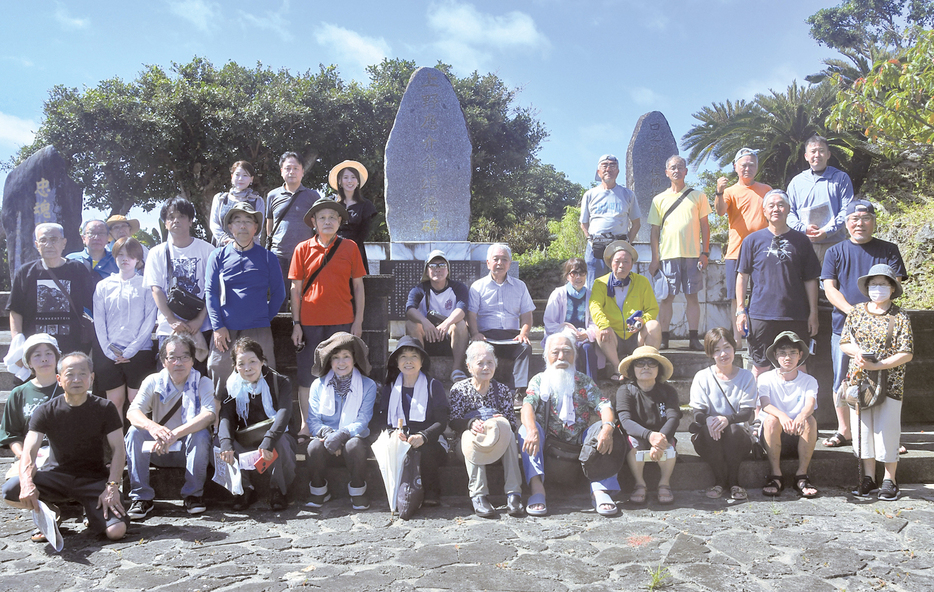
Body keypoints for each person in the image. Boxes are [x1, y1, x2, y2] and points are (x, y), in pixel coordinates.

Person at [1, 352, 127, 542]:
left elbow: (119, 449)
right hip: (56, 477)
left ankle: (93, 513)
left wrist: (112, 487)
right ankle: (50, 512)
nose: (76, 379)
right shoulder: (45, 410)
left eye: (82, 374)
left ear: (91, 378)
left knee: (116, 531)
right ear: (59, 379)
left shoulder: (105, 408)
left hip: (93, 480)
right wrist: (27, 481)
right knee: (10, 490)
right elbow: (30, 449)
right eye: (70, 374)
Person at [821, 200, 907, 449]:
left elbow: (896, 284)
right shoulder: (834, 251)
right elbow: (829, 288)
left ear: (873, 221)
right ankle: (844, 430)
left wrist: (873, 316)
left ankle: (888, 434)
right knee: (841, 379)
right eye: (854, 219)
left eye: (865, 218)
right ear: (846, 223)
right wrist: (854, 313)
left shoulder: (889, 249)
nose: (860, 223)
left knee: (885, 380)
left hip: (885, 328)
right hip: (844, 327)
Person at [289, 198, 366, 437]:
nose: (327, 221)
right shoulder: (302, 248)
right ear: (313, 222)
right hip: (309, 323)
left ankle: (340, 423)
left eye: (333, 216)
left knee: (342, 371)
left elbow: (359, 287)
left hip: (342, 321)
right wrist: (296, 324)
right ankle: (305, 424)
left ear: (340, 221)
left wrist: (358, 321)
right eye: (322, 217)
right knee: (306, 375)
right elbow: (295, 289)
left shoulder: (350, 247)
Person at [518, 334, 619, 516]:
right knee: (525, 429)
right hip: (548, 445)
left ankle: (599, 490)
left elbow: (604, 405)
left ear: (575, 355)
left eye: (567, 352)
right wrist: (532, 430)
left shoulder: (583, 381)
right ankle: (537, 490)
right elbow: (527, 406)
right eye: (555, 352)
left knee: (607, 429)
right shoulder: (540, 380)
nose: (561, 357)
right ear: (546, 356)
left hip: (579, 443)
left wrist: (607, 428)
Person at [840, 265, 913, 500]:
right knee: (864, 428)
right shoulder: (857, 312)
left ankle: (890, 480)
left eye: (883, 284)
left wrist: (879, 365)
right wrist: (858, 353)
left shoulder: (900, 316)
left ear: (892, 288)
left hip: (890, 381)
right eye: (873, 285)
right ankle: (869, 477)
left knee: (887, 429)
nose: (877, 289)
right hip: (860, 379)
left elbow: (907, 352)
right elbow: (844, 342)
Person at [124, 334, 216, 519]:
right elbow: (132, 412)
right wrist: (153, 428)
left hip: (189, 451)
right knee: (134, 432)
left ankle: (193, 495)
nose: (179, 362)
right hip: (158, 449)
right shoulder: (153, 381)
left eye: (184, 357)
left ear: (192, 360)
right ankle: (141, 497)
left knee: (202, 435)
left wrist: (175, 433)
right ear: (164, 361)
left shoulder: (202, 382)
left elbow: (209, 415)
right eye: (172, 357)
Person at [736, 190, 821, 378]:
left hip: (795, 315)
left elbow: (810, 279)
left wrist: (813, 313)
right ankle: (757, 408)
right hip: (761, 315)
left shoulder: (801, 241)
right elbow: (742, 276)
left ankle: (799, 408)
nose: (776, 209)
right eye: (771, 205)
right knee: (760, 367)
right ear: (764, 211)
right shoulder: (752, 240)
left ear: (789, 209)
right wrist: (741, 310)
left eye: (781, 205)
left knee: (798, 367)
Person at [205, 201, 285, 391]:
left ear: (256, 227)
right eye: (237, 221)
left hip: (259, 330)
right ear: (230, 227)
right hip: (225, 331)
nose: (243, 226)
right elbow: (211, 292)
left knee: (263, 378)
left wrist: (264, 317)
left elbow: (279, 293)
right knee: (219, 373)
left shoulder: (268, 257)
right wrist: (218, 326)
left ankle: (264, 419)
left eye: (248, 221)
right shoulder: (217, 256)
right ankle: (221, 420)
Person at [217, 337, 295, 511]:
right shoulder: (232, 386)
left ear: (261, 361)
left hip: (276, 435)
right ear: (235, 367)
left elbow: (284, 414)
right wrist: (226, 444)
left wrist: (269, 440)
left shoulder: (280, 382)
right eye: (241, 363)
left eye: (252, 361)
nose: (248, 368)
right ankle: (244, 489)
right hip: (247, 438)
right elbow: (226, 417)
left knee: (280, 443)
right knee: (219, 443)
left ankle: (278, 490)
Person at [448, 341, 523, 517]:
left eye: (490, 363)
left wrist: (501, 421)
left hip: (497, 443)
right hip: (468, 444)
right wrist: (470, 424)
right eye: (480, 363)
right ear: (469, 366)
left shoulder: (502, 390)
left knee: (510, 436)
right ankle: (478, 495)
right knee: (469, 436)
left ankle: (514, 495)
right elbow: (453, 422)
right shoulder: (460, 389)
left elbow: (512, 424)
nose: (486, 367)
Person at [373, 337, 450, 508]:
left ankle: (431, 491)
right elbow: (383, 419)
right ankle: (396, 492)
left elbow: (441, 421)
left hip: (430, 438)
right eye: (403, 357)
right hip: (399, 436)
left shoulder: (433, 386)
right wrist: (394, 434)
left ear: (422, 361)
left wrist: (423, 436)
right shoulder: (390, 387)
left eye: (414, 356)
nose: (408, 361)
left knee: (426, 449)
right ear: (397, 362)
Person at [304, 333, 377, 511]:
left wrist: (342, 434)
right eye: (336, 358)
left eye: (346, 357)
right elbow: (313, 420)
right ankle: (319, 490)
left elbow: (363, 420)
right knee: (313, 447)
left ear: (354, 359)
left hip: (354, 436)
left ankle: (358, 491)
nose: (341, 363)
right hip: (325, 436)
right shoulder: (318, 385)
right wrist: (330, 435)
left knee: (354, 446)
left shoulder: (368, 385)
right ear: (329, 361)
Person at [143, 197, 215, 374]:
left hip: (201, 328)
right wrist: (172, 320)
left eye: (181, 216)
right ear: (165, 223)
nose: (175, 220)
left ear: (190, 220)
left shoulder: (207, 250)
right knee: (168, 381)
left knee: (199, 380)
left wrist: (199, 320)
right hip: (169, 330)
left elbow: (211, 289)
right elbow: (156, 289)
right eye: (170, 217)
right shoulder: (156, 253)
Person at [647, 155, 711, 351]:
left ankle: (693, 338)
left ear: (686, 172)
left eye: (680, 167)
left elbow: (705, 226)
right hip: (668, 256)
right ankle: (664, 337)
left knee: (693, 297)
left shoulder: (698, 196)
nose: (676, 170)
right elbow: (655, 231)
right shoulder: (659, 199)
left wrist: (705, 252)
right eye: (672, 167)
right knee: (667, 298)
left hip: (692, 255)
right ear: (667, 172)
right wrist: (655, 258)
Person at [93, 237, 158, 418]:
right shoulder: (103, 286)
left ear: (138, 259)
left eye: (130, 255)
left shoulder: (146, 284)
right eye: (120, 254)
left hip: (140, 351)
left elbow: (149, 319)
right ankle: (117, 446)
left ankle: (137, 443)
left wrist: (131, 350)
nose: (125, 259)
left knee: (136, 400)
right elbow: (99, 320)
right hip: (110, 353)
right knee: (114, 402)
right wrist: (108, 350)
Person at [8, 222, 96, 356]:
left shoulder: (78, 270)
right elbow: (15, 310)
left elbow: (94, 303)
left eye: (54, 239)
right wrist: (17, 342)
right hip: (36, 349)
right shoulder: (25, 272)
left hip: (73, 347)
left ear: (64, 243)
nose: (49, 244)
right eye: (43, 240)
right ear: (37, 245)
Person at [689, 328, 756, 501]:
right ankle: (719, 481)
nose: (723, 353)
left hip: (738, 436)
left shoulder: (747, 377)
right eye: (717, 350)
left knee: (733, 430)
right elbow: (697, 414)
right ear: (710, 354)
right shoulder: (702, 377)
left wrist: (727, 419)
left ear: (734, 348)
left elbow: (746, 414)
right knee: (709, 429)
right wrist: (710, 419)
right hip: (710, 436)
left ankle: (734, 481)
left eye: (726, 347)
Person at [714, 148, 770, 341]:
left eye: (751, 164)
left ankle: (758, 335)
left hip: (763, 253)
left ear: (757, 167)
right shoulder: (729, 192)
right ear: (735, 167)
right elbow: (720, 211)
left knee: (760, 294)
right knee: (735, 298)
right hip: (735, 253)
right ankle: (737, 339)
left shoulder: (766, 190)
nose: (747, 168)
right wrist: (719, 192)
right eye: (743, 165)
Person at [616, 346, 682, 505]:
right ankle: (640, 483)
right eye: (640, 363)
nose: (646, 367)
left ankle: (664, 483)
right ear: (633, 369)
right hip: (638, 434)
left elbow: (673, 417)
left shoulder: (668, 391)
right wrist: (650, 436)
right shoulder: (625, 391)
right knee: (634, 444)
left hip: (662, 434)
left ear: (658, 369)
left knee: (668, 448)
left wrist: (660, 439)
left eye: (651, 363)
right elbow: (625, 421)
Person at [757, 332, 819, 498]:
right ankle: (776, 476)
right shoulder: (765, 378)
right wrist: (783, 417)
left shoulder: (809, 381)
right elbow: (765, 404)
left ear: (800, 356)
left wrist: (799, 417)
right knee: (771, 420)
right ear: (776, 356)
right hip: (772, 434)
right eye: (782, 353)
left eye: (793, 353)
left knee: (809, 420)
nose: (787, 357)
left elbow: (810, 405)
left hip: (799, 434)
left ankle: (802, 476)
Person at [467, 244, 535, 395]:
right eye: (496, 259)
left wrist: (524, 333)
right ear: (488, 263)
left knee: (525, 347)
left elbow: (527, 315)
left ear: (509, 263)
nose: (499, 263)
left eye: (504, 259)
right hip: (487, 336)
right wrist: (475, 333)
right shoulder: (477, 286)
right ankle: (482, 391)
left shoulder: (520, 286)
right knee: (478, 348)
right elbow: (471, 314)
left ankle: (518, 391)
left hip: (512, 336)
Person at [590, 241, 662, 381]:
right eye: (617, 261)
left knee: (654, 326)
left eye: (626, 262)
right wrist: (604, 324)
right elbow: (595, 306)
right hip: (614, 336)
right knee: (599, 330)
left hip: (636, 335)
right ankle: (619, 369)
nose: (621, 265)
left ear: (632, 264)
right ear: (611, 263)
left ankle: (645, 365)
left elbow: (652, 308)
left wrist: (643, 321)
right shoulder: (600, 283)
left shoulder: (642, 282)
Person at [787, 135, 854, 263]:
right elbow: (789, 212)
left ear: (828, 154)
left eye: (821, 151)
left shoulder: (841, 178)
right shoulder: (796, 182)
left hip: (834, 244)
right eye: (813, 151)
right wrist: (803, 229)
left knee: (833, 282)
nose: (817, 155)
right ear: (806, 156)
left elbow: (847, 210)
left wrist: (827, 231)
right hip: (804, 244)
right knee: (805, 282)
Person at [405, 250, 470, 383]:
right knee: (411, 324)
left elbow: (462, 310)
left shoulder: (458, 288)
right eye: (433, 266)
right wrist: (424, 322)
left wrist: (446, 324)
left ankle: (457, 368)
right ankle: (420, 368)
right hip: (426, 337)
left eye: (441, 265)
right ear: (427, 270)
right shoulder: (419, 289)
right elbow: (409, 309)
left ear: (447, 270)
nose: (437, 270)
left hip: (450, 338)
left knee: (460, 324)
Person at [0, 335, 61, 475]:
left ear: (57, 358)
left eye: (49, 354)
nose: (44, 359)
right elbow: (11, 434)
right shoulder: (18, 393)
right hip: (29, 456)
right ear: (28, 362)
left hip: (63, 458)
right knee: (11, 489)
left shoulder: (70, 390)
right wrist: (24, 456)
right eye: (37, 355)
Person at [266, 151, 321, 305]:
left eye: (296, 168)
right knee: (279, 298)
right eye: (287, 168)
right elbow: (269, 225)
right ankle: (279, 329)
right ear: (281, 171)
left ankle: (302, 329)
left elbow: (318, 224)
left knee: (305, 298)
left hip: (306, 255)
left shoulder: (313, 196)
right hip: (279, 256)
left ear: (302, 171)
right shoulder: (272, 195)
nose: (292, 172)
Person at [579, 154, 642, 287]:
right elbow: (584, 223)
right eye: (605, 165)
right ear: (598, 171)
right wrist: (590, 240)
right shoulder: (590, 195)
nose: (609, 169)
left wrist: (627, 242)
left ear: (617, 171)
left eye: (613, 166)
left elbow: (636, 223)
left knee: (619, 287)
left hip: (619, 247)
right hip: (595, 248)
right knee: (594, 287)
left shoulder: (628, 194)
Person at [543, 257, 600, 379]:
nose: (578, 277)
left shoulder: (591, 295)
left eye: (582, 273)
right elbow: (549, 322)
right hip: (561, 336)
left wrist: (587, 334)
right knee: (568, 350)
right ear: (568, 276)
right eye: (574, 273)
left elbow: (594, 321)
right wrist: (568, 334)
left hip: (582, 337)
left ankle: (592, 385)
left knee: (587, 349)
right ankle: (571, 385)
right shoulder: (558, 294)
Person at [328, 160, 378, 274]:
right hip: (332, 250)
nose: (349, 181)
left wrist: (348, 248)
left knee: (356, 286)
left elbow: (363, 233)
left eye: (353, 177)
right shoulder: (331, 203)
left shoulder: (366, 205)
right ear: (339, 181)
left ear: (358, 181)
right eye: (345, 177)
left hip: (355, 251)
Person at [209, 160, 265, 247]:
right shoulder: (220, 199)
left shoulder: (257, 201)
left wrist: (241, 243)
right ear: (232, 177)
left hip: (249, 249)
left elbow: (258, 228)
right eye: (237, 174)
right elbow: (214, 224)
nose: (240, 178)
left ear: (251, 179)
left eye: (245, 175)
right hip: (223, 248)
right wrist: (226, 240)